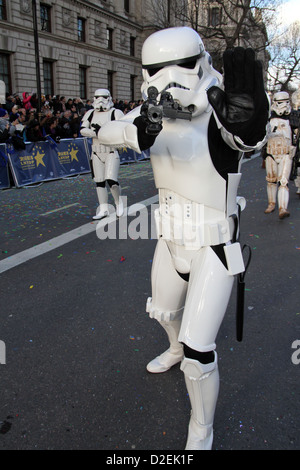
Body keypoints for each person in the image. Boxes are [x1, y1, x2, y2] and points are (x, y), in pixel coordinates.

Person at [97, 27, 269, 450]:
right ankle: (173, 349)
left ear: (202, 64)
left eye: (181, 66)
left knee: (199, 352)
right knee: (163, 313)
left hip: (213, 244)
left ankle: (201, 427)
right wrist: (135, 129)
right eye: (157, 70)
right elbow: (106, 132)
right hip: (169, 239)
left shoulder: (221, 112)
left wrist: (250, 120)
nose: (168, 79)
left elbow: (245, 137)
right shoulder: (151, 115)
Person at [80, 88, 124, 219]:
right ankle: (103, 207)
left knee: (112, 180)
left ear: (109, 98)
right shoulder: (90, 113)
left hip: (111, 151)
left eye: (103, 97)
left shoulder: (116, 113)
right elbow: (83, 130)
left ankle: (118, 203)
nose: (100, 101)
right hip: (96, 152)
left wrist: (102, 131)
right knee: (99, 182)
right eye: (97, 97)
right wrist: (96, 133)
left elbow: (120, 129)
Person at [264, 91, 295, 218]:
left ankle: (283, 208)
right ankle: (272, 203)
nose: (283, 105)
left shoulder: (293, 118)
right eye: (280, 102)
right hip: (271, 152)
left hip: (286, 153)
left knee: (283, 181)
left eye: (286, 102)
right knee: (271, 181)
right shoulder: (268, 118)